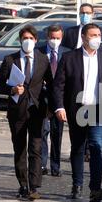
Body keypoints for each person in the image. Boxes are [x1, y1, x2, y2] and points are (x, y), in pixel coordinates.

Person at [54, 23, 102, 202]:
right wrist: (60, 107)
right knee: (77, 147)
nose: (97, 39)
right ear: (84, 37)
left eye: (99, 35)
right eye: (93, 35)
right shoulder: (69, 58)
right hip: (77, 109)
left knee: (96, 146)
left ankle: (95, 188)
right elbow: (59, 85)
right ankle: (77, 185)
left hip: (99, 109)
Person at [0, 25, 55, 201]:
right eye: (24, 38)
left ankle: (34, 186)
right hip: (17, 111)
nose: (27, 41)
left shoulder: (43, 59)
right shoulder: (10, 59)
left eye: (30, 38)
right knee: (20, 148)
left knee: (36, 149)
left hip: (37, 111)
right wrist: (12, 89)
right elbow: (0, 84)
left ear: (36, 40)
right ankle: (23, 184)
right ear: (20, 40)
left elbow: (51, 85)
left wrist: (52, 108)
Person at [62, 3, 95, 162]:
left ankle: (88, 151)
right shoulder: (70, 32)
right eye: (82, 12)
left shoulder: (96, 33)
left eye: (88, 12)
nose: (85, 15)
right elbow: (64, 52)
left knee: (91, 122)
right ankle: (77, 149)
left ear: (93, 14)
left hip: (91, 84)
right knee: (76, 123)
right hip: (74, 78)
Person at [38, 25, 71, 177]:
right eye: (52, 38)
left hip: (59, 101)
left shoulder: (67, 53)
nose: (55, 41)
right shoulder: (39, 51)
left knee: (57, 135)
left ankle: (55, 166)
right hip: (42, 99)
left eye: (57, 38)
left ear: (62, 37)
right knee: (43, 132)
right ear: (47, 36)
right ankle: (42, 164)